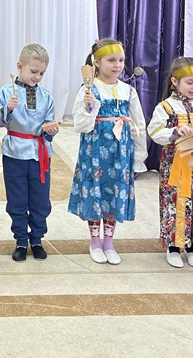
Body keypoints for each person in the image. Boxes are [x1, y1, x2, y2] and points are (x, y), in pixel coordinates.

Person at [68, 38, 147, 266]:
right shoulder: (89, 89)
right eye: (111, 60)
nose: (118, 65)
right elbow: (80, 125)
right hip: (94, 149)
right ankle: (95, 241)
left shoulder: (128, 90)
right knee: (96, 192)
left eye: (121, 60)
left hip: (120, 150)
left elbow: (138, 123)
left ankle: (109, 242)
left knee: (115, 192)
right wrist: (90, 107)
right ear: (97, 62)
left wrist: (139, 156)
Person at [148, 57, 193, 268]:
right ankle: (173, 247)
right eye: (190, 82)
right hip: (175, 164)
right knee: (174, 201)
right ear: (175, 81)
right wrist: (174, 132)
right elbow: (155, 131)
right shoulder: (166, 107)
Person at [0, 43, 58, 262]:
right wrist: (8, 108)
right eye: (33, 71)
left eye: (42, 73)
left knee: (40, 200)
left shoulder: (46, 96)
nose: (37, 77)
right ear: (20, 67)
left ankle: (36, 239)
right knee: (17, 199)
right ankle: (20, 240)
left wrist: (50, 130)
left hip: (40, 154)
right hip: (14, 152)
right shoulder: (6, 91)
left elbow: (48, 125)